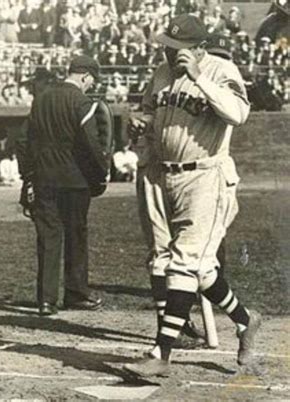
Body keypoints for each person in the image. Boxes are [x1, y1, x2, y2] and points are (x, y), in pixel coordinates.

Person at [124, 14, 261, 378]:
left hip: (205, 177)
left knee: (183, 264)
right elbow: (151, 111)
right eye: (167, 48)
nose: (170, 55)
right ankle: (246, 321)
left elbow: (238, 114)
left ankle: (161, 354)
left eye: (178, 49)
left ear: (200, 47)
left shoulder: (220, 68)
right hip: (161, 172)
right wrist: (141, 122)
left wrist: (199, 76)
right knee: (194, 269)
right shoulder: (161, 72)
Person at [18, 55, 109, 316]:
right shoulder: (81, 102)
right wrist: (101, 174)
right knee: (76, 236)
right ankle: (76, 294)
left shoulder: (41, 98)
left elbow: (22, 141)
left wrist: (28, 176)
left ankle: (45, 300)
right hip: (75, 180)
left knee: (48, 237)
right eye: (92, 81)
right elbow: (91, 145)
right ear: (85, 76)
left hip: (44, 179)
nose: (92, 86)